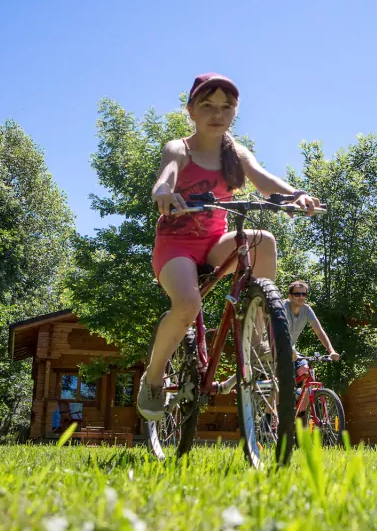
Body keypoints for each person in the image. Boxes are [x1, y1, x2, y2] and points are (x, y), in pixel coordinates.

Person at [137, 72, 321, 421]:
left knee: (263, 241)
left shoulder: (235, 153)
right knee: (188, 304)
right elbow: (166, 177)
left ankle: (257, 328)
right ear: (190, 110)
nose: (217, 114)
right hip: (176, 246)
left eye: (226, 107)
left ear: (235, 112)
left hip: (214, 244)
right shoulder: (180, 148)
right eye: (207, 106)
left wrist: (295, 195)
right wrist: (163, 193)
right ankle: (155, 375)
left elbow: (265, 180)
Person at [283, 280, 340, 378]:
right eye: (297, 294)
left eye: (303, 294)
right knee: (281, 380)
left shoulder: (307, 309)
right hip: (274, 347)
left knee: (305, 369)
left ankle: (301, 393)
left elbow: (319, 331)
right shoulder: (282, 306)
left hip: (291, 351)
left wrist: (331, 351)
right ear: (290, 296)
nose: (301, 297)